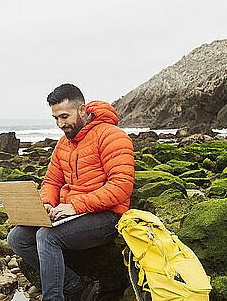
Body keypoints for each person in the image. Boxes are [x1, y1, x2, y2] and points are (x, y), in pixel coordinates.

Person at [7, 83, 135, 301]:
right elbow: (51, 180)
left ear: (83, 110)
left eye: (64, 116)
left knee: (47, 236)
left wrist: (75, 206)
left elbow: (121, 186)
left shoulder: (112, 136)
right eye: (56, 118)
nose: (60, 123)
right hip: (72, 212)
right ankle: (75, 285)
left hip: (108, 215)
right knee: (17, 237)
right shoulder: (64, 144)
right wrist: (46, 203)